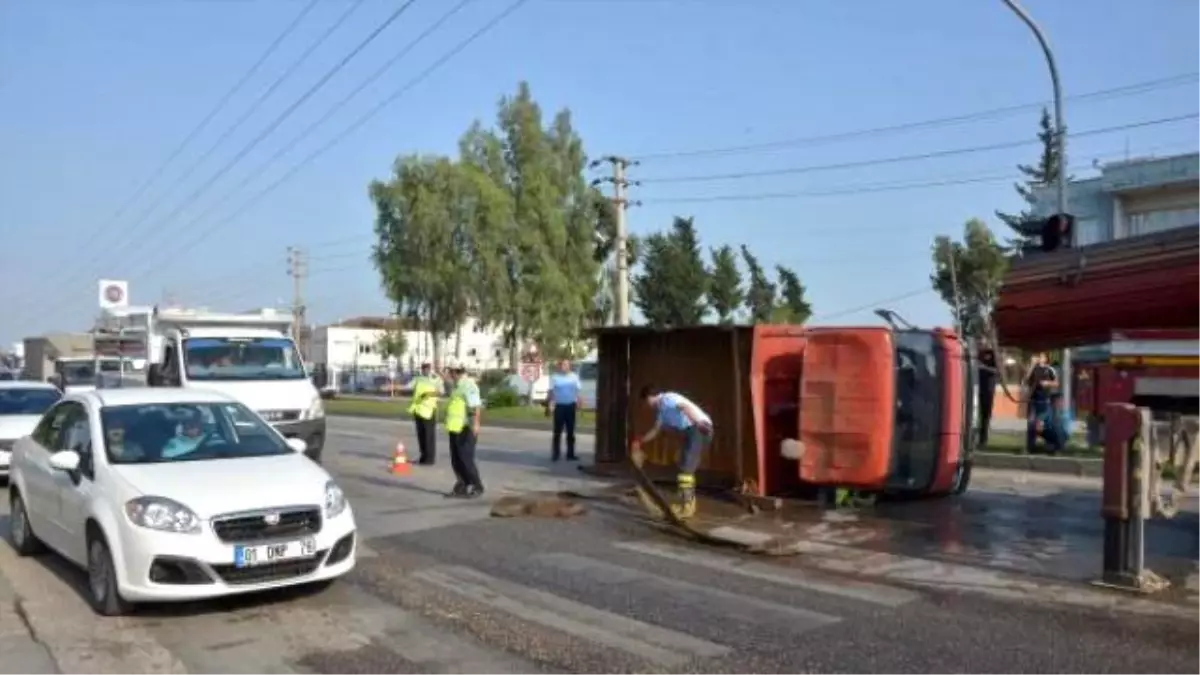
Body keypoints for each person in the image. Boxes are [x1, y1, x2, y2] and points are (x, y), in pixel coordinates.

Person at [633, 385, 713, 519]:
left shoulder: (667, 398)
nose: (647, 405)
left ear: (649, 398)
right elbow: (655, 430)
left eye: (646, 402)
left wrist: (698, 423)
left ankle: (687, 506)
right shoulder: (662, 412)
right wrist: (640, 441)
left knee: (686, 470)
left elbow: (684, 407)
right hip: (691, 432)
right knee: (682, 466)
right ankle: (685, 503)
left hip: (698, 429)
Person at [444, 360, 484, 498]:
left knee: (466, 458)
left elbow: (475, 406)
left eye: (450, 371)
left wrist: (476, 424)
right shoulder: (457, 386)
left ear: (456, 372)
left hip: (466, 427)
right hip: (455, 427)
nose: (449, 374)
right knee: (456, 459)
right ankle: (462, 485)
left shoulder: (468, 385)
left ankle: (476, 485)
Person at [1024, 352, 1060, 454]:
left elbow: (1056, 383)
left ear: (1045, 358)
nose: (1038, 358)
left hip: (1044, 400)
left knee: (1040, 425)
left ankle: (1052, 444)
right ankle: (1030, 447)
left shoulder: (1049, 369)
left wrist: (1047, 383)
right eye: (1037, 356)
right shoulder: (1033, 369)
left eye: (1041, 356)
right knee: (1031, 423)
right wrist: (1031, 365)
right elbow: (1026, 379)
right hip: (1032, 400)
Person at [408, 362, 442, 465]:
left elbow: (441, 392)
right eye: (424, 368)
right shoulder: (418, 379)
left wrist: (429, 394)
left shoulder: (435, 379)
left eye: (427, 368)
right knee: (421, 435)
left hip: (429, 410)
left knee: (429, 435)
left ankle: (429, 459)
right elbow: (407, 386)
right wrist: (392, 386)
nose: (426, 370)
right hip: (418, 409)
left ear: (430, 368)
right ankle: (423, 457)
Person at [548, 359, 581, 462]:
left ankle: (570, 454)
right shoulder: (555, 377)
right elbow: (551, 392)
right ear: (559, 366)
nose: (564, 366)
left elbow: (578, 391)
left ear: (569, 366)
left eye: (566, 365)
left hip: (570, 406)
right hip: (559, 407)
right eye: (562, 365)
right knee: (557, 431)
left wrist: (579, 403)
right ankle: (555, 454)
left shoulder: (574, 377)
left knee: (571, 432)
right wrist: (550, 404)